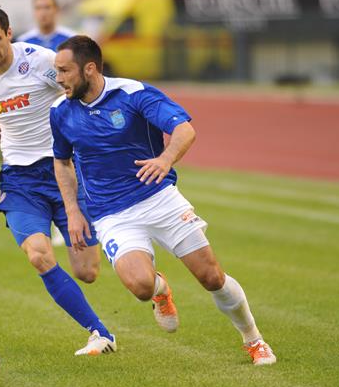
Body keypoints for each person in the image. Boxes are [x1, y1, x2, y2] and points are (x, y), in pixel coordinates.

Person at [50, 35, 277, 366]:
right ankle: (160, 290)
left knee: (211, 277)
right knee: (140, 286)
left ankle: (254, 340)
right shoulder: (60, 111)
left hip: (159, 199)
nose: (58, 79)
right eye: (56, 71)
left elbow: (185, 130)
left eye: (64, 71)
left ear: (89, 68)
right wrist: (72, 210)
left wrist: (166, 159)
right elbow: (61, 160)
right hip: (111, 214)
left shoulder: (133, 93)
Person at [0, 0, 121, 356]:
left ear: (8, 33)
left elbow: (80, 92)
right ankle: (99, 332)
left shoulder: (38, 61)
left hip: (63, 171)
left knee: (88, 271)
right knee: (38, 255)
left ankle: (155, 282)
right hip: (20, 181)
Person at [17, 0, 76, 247]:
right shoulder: (23, 43)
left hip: (68, 113)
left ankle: (77, 213)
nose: (44, 12)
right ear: (34, 11)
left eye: (48, 7)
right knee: (46, 165)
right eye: (39, 7)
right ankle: (52, 221)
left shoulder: (72, 40)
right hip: (38, 119)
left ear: (56, 10)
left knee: (73, 162)